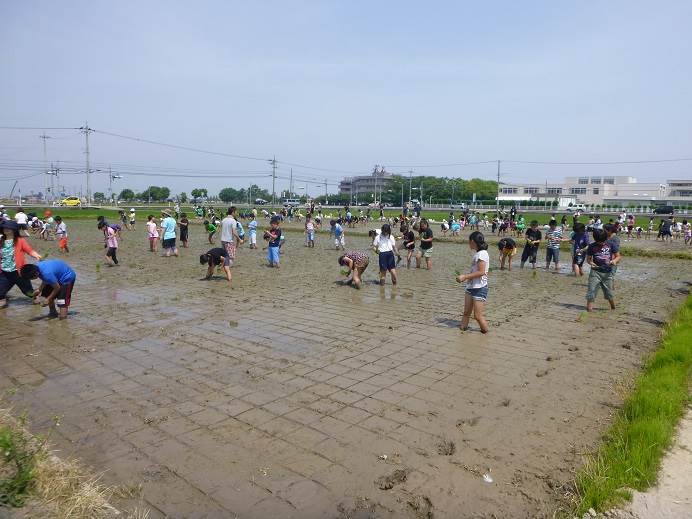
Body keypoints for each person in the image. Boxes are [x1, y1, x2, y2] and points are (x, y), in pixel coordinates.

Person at [0, 220, 42, 309]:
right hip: (5, 272)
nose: (6, 229)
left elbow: (29, 250)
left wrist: (36, 255)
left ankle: (36, 297)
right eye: (4, 228)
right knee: (1, 290)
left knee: (28, 291)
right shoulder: (1, 241)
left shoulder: (20, 240)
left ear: (13, 229)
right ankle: (2, 301)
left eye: (8, 228)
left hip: (18, 272)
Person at [456, 231, 489, 334]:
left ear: (473, 241)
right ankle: (462, 331)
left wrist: (465, 276)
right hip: (471, 287)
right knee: (466, 312)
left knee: (478, 316)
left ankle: (486, 333)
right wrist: (466, 278)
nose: (468, 244)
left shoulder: (482, 254)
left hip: (480, 288)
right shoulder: (478, 253)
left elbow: (481, 272)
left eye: (469, 241)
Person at [585, 228, 620, 312]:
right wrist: (591, 263)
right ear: (595, 239)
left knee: (609, 292)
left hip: (608, 272)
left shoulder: (611, 244)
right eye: (599, 242)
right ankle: (589, 309)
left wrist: (614, 261)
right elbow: (588, 259)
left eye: (603, 242)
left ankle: (613, 307)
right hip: (595, 272)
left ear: (606, 238)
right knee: (591, 289)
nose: (601, 244)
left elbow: (618, 256)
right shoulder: (592, 246)